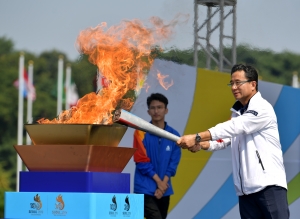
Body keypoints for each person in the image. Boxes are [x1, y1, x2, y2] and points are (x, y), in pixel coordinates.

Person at [177, 64, 289, 219]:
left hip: (268, 187)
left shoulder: (262, 108)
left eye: (238, 82)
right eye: (232, 83)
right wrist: (202, 145)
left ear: (253, 84)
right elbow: (225, 139)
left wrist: (197, 136)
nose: (234, 87)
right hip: (246, 192)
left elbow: (235, 127)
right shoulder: (237, 113)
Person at [133, 93, 181, 219]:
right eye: (153, 108)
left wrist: (163, 185)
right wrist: (159, 182)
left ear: (166, 110)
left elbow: (173, 163)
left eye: (159, 107)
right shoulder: (140, 133)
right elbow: (141, 161)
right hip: (144, 188)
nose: (156, 111)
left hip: (164, 190)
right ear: (148, 111)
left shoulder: (174, 135)